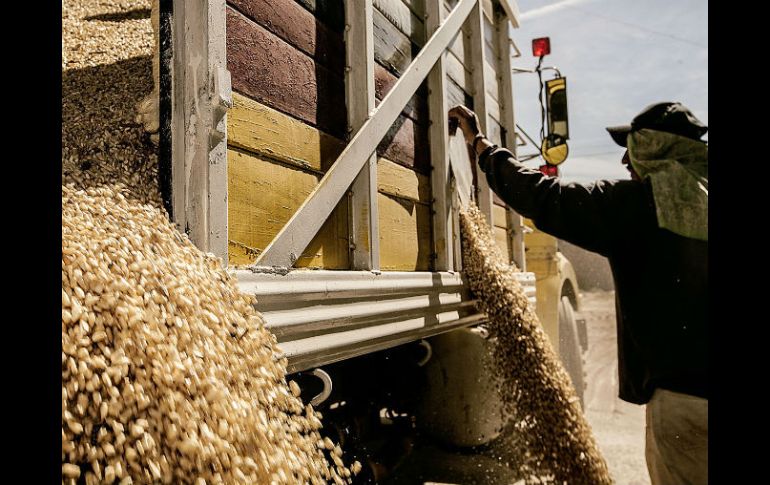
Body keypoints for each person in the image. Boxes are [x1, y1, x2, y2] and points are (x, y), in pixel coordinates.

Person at [448, 102, 708, 485]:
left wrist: (482, 147)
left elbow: (543, 196)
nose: (624, 160)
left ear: (654, 150)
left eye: (632, 148)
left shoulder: (637, 204)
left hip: (682, 403)